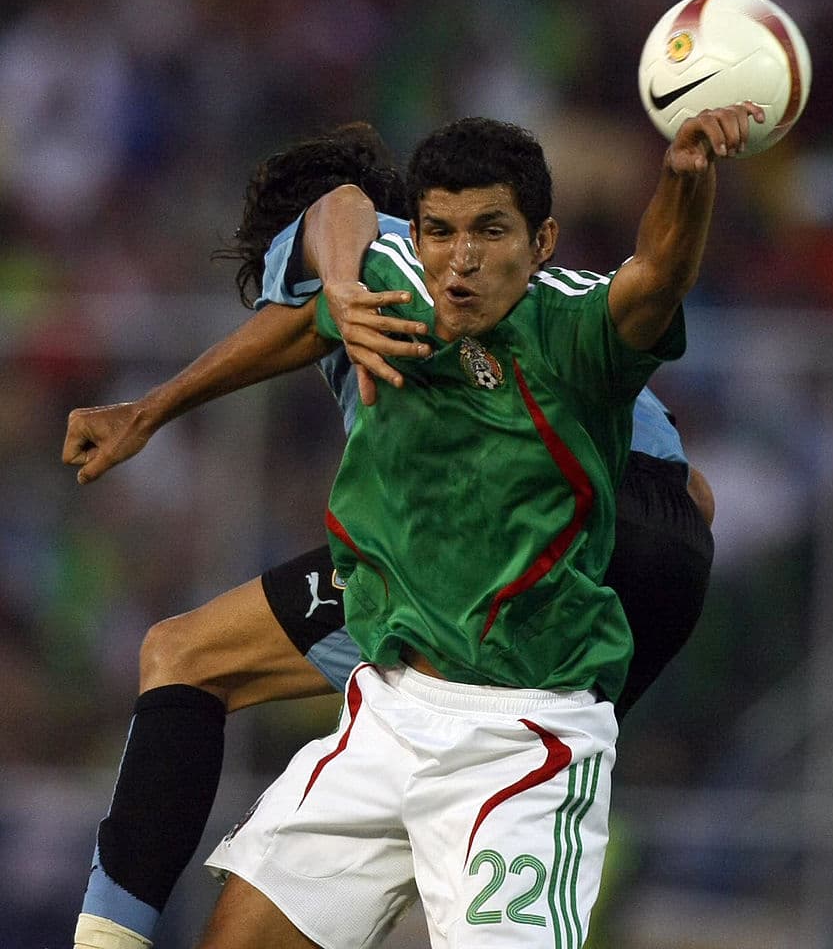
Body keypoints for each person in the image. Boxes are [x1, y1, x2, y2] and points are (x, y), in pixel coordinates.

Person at [64, 123, 715, 949]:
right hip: (655, 544)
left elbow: (336, 228)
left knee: (186, 654)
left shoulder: (391, 269)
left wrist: (160, 401)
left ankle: (109, 936)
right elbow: (696, 497)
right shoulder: (475, 283)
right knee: (418, 670)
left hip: (546, 562)